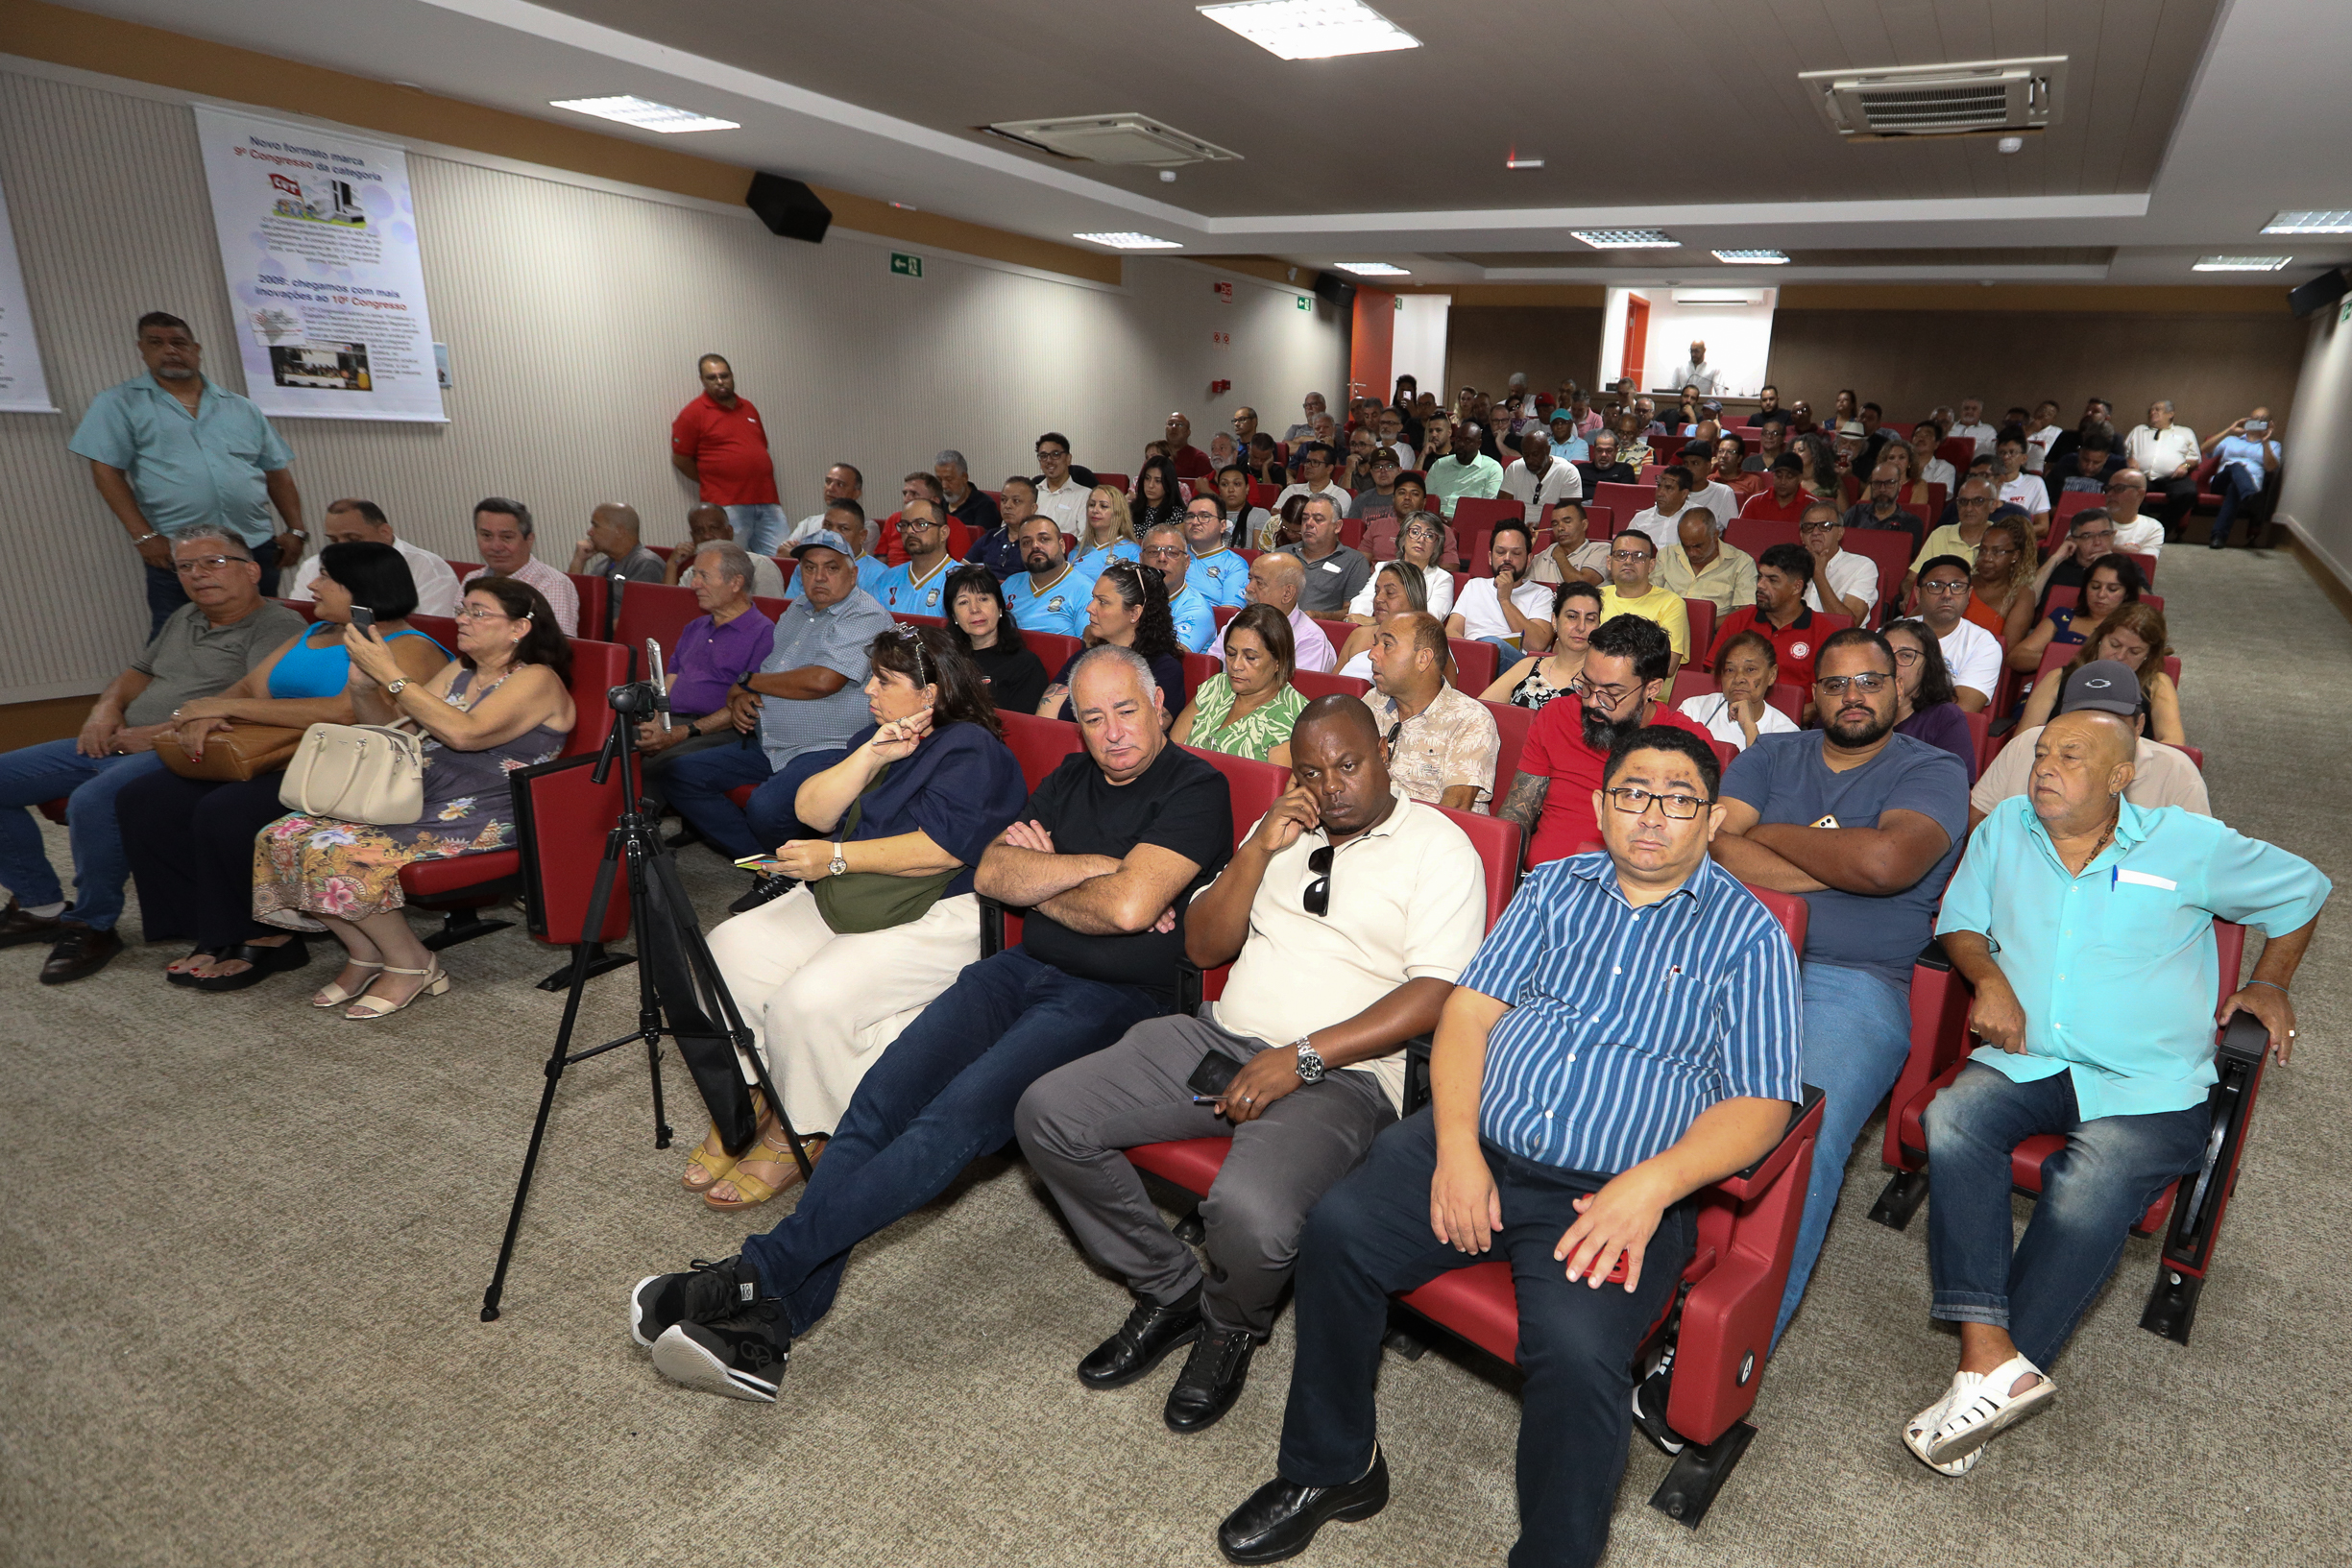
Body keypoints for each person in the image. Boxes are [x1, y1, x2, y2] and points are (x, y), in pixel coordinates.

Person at [1220, 724, 1800, 1568]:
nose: (1652, 815)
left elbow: (1761, 1104)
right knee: (1338, 1231)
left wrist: (1649, 1187)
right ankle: (1333, 1466)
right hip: (1480, 1139)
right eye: (1633, 793)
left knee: (1575, 1353)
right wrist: (1456, 1148)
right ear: (1601, 807)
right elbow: (1468, 1014)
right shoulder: (1552, 887)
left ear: (1710, 822)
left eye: (1679, 800)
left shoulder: (1747, 937)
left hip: (1613, 1188)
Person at [630, 645, 1232, 1402]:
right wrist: (1098, 868)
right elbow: (989, 873)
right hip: (1016, 972)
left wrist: (1059, 877)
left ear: (1160, 708)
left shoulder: (1194, 786)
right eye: (1091, 716)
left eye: (1126, 710)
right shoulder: (1073, 776)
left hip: (1110, 1000)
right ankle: (771, 1325)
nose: (1112, 732)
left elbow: (1128, 911)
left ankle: (755, 1275)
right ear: (1074, 724)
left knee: (948, 1123)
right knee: (878, 1100)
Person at [1020, 694, 1482, 1432]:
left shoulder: (1439, 846)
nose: (1331, 785)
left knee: (1252, 1215)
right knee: (1048, 1113)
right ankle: (1171, 1288)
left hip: (1342, 1074)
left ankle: (1230, 1321)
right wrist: (1259, 848)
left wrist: (1299, 1058)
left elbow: (1437, 993)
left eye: (1348, 764)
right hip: (1222, 1035)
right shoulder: (1284, 832)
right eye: (1311, 771)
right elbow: (1203, 947)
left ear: (1384, 753)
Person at [1905, 703, 2327, 1476]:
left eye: (2069, 756)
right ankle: (1991, 1357)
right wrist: (1989, 978)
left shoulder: (2185, 843)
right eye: (2040, 753)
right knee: (1954, 1117)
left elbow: (2303, 888)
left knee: (2088, 1183)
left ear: (2120, 777)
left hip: (2148, 1081)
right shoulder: (2004, 829)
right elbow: (1961, 923)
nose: (2044, 768)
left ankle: (1985, 1380)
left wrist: (2268, 980)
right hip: (2029, 1057)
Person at [688, 626, 1031, 1208]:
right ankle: (751, 1090)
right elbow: (810, 810)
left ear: (932, 693)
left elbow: (942, 850)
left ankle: (804, 1127)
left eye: (885, 680)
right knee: (728, 950)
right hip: (856, 888)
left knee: (809, 1000)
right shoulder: (883, 736)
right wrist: (871, 752)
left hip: (939, 908)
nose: (869, 689)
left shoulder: (972, 748)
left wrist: (838, 859)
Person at [1709, 628, 1969, 1343]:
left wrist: (1776, 834)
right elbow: (1716, 845)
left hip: (1849, 984)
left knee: (1792, 1132)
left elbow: (1886, 864)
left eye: (1870, 681)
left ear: (1898, 688)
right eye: (1834, 684)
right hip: (1730, 955)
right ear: (1812, 694)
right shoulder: (1768, 753)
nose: (1852, 696)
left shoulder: (1934, 769)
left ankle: (1727, 1347)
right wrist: (1838, 860)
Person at [124, 541, 454, 991]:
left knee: (225, 812)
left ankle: (268, 935)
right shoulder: (311, 633)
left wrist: (232, 709)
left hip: (338, 771)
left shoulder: (406, 645)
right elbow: (248, 686)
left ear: (360, 588)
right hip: (276, 752)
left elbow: (345, 712)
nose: (312, 585)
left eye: (325, 578)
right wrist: (214, 710)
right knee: (146, 799)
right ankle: (204, 928)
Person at [255, 576, 576, 1018]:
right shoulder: (462, 672)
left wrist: (392, 673)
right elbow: (395, 731)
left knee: (343, 853)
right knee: (284, 836)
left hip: (484, 810)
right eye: (462, 609)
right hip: (421, 794)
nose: (462, 619)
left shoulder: (537, 680)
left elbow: (465, 735)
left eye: (478, 612)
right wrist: (366, 686)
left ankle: (413, 963)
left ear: (519, 628)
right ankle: (365, 953)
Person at [0, 531, 303, 982]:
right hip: (123, 738)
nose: (198, 575)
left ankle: (93, 923)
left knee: (93, 801)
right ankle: (41, 905)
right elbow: (139, 672)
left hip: (183, 749)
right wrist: (104, 710)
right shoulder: (185, 616)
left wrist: (159, 734)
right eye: (185, 567)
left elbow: (249, 707)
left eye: (214, 562)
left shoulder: (275, 626)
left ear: (252, 569)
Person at [666, 531, 893, 905]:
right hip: (771, 741)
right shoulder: (796, 611)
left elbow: (824, 680)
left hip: (831, 748)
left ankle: (786, 875)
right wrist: (745, 694)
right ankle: (772, 869)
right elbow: (773, 672)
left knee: (767, 808)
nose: (819, 577)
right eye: (809, 568)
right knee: (680, 774)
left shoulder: (865, 614)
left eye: (831, 568)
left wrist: (748, 681)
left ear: (853, 575)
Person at [71, 312, 307, 634]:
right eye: (157, 343)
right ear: (142, 349)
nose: (170, 350)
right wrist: (144, 536)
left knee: (263, 633)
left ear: (196, 349)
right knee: (175, 637)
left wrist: (296, 530)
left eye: (179, 343)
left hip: (253, 544)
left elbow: (277, 473)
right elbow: (106, 474)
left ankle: (253, 686)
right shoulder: (119, 403)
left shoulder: (240, 407)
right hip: (177, 551)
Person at [1497, 615, 1713, 864]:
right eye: (1586, 685)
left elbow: (1684, 849)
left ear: (1651, 689)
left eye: (1611, 693)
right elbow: (1517, 813)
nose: (1591, 702)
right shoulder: (1557, 716)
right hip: (1540, 882)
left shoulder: (1685, 745)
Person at [1969, 661, 2207, 829]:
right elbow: (1978, 813)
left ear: (2139, 725)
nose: (2095, 732)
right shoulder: (2027, 745)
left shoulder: (2176, 770)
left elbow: (2200, 850)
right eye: (2084, 717)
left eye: (2113, 721)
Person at [631, 542, 779, 805]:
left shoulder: (764, 634)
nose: (693, 584)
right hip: (675, 720)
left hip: (720, 729)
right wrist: (656, 721)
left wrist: (681, 732)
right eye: (695, 574)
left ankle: (644, 838)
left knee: (655, 764)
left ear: (735, 583)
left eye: (703, 576)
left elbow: (745, 705)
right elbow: (669, 682)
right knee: (618, 745)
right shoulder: (695, 627)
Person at [1041, 561, 1186, 729]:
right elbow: (1045, 726)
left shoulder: (1165, 671)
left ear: (1134, 613)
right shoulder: (1081, 660)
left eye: (1103, 602)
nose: (1090, 608)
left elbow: (1141, 735)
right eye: (1093, 598)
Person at [2018, 602, 2183, 744]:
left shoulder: (2157, 684)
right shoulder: (2057, 678)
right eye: (2114, 644)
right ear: (2099, 638)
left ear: (2148, 655)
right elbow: (2023, 739)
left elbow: (2173, 743)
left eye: (2134, 652)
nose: (2120, 656)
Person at [669, 353, 784, 553]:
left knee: (784, 564)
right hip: (728, 506)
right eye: (712, 378)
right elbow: (681, 459)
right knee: (733, 566)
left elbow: (758, 448)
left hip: (767, 502)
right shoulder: (693, 413)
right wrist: (714, 479)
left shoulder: (748, 408)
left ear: (732, 375)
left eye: (724, 375)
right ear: (702, 381)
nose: (720, 382)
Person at [1173, 604, 1305, 766]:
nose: (1235, 665)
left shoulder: (1292, 715)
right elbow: (1172, 751)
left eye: (1250, 657)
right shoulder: (1217, 685)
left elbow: (1275, 787)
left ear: (1278, 661)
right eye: (1231, 654)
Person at [284, 498, 462, 618]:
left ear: (385, 533)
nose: (342, 547)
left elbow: (434, 632)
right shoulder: (312, 566)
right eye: (333, 540)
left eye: (353, 539)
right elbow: (299, 619)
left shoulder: (429, 568)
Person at [2009, 551, 2145, 675]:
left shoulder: (2137, 628)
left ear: (2127, 594)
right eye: (2095, 587)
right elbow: (2016, 657)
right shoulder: (2063, 618)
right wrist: (2067, 659)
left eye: (2112, 589)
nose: (2101, 594)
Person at [461, 497, 581, 636]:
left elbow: (555, 647)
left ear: (529, 540)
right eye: (486, 536)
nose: (496, 547)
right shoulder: (471, 579)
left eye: (507, 537)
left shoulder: (552, 584)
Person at [943, 563, 1049, 714]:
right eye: (963, 602)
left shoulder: (1025, 665)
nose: (974, 609)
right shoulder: (945, 661)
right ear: (954, 616)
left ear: (1000, 607)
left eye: (983, 599)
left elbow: (1022, 729)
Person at [1882, 617, 1977, 782]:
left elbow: (1954, 785)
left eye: (1906, 655)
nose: (1893, 663)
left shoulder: (1946, 718)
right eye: (1885, 653)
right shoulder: (1853, 707)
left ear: (1928, 665)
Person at [1483, 581, 1603, 710]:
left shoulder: (1602, 680)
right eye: (1572, 616)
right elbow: (1477, 710)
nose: (1581, 627)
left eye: (1590, 619)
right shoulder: (1528, 666)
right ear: (1554, 620)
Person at [1682, 628, 1800, 754]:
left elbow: (1764, 772)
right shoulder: (1694, 709)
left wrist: (1748, 726)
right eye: (1730, 670)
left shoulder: (1787, 734)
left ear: (1771, 675)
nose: (1738, 679)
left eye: (1750, 670)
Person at [1447, 521, 1556, 656]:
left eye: (1516, 553)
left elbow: (1537, 645)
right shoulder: (1474, 585)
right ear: (1490, 558)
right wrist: (1472, 654)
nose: (1507, 559)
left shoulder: (1542, 594)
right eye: (1500, 552)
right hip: (1473, 659)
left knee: (1494, 644)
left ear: (1528, 560)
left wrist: (1504, 600)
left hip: (1516, 667)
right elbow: (1451, 632)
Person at [1912, 556, 2002, 712]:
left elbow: (1962, 710)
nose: (1947, 594)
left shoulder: (1983, 644)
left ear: (1969, 594)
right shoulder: (1893, 633)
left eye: (1957, 586)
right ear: (1918, 593)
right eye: (1935, 586)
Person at [1594, 529, 1693, 670]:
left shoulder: (1671, 603)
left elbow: (1668, 665)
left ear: (1651, 565)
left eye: (1639, 556)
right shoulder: (1595, 597)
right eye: (1621, 555)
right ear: (1609, 562)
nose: (1628, 561)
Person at [1233, 552, 1337, 675]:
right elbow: (1214, 668)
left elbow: (1297, 692)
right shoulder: (1238, 621)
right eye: (1250, 579)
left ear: (1287, 593)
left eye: (1259, 583)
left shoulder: (1310, 642)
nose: (1248, 588)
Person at [665, 503, 788, 597]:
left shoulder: (760, 566)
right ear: (692, 537)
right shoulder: (691, 573)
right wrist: (672, 565)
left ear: (729, 532)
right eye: (699, 531)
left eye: (714, 528)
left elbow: (771, 615)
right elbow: (669, 611)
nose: (707, 536)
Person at [2201, 405, 2283, 548]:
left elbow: (2271, 468)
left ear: (2269, 424)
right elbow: (2203, 450)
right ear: (2247, 420)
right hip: (2221, 483)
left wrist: (2265, 442)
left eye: (2262, 420)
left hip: (2241, 488)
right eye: (2254, 419)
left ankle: (2218, 536)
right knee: (2236, 466)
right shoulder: (2231, 440)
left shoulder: (2273, 445)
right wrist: (2229, 430)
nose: (2257, 421)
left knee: (2235, 488)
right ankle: (2250, 496)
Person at [1336, 562, 1432, 680]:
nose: (1378, 599)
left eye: (1390, 593)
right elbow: (1332, 684)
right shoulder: (1358, 635)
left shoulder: (1431, 641)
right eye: (1376, 592)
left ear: (1413, 597)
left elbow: (1444, 695)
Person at [1003, 512, 1093, 638]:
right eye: (1026, 542)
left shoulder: (1085, 590)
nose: (1035, 546)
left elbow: (1087, 649)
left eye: (1044, 539)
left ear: (1062, 545)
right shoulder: (1010, 584)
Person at [1279, 495, 1372, 616]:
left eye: (1318, 519)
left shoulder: (1354, 561)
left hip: (1323, 630)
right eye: (1305, 518)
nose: (1309, 524)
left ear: (1337, 526)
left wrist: (1321, 616)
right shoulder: (1282, 555)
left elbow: (1353, 613)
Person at [2122, 400, 2201, 538]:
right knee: (2125, 489)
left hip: (2174, 478)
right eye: (2151, 410)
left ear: (2170, 414)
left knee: (2188, 492)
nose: (2152, 412)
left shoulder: (2185, 432)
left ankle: (2160, 530)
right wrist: (2129, 460)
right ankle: (2147, 528)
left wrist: (2185, 466)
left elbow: (2194, 459)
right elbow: (2124, 454)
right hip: (2142, 476)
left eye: (2157, 409)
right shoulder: (2138, 430)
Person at [1138, 522, 1220, 654]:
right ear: (1141, 560)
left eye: (1172, 553)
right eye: (1153, 552)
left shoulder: (1198, 610)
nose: (1162, 558)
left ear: (1186, 563)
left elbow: (1168, 656)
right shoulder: (1128, 596)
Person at [1659, 508, 1757, 615]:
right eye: (1685, 546)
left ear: (1715, 535)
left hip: (1715, 629)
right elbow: (1647, 594)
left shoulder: (1741, 563)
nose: (1692, 553)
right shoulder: (1666, 555)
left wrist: (1705, 624)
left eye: (1698, 546)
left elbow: (1745, 611)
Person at [1963, 512, 2040, 648]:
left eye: (1997, 551)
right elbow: (1916, 622)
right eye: (1983, 550)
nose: (1987, 558)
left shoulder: (2022, 594)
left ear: (2015, 556)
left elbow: (2006, 649)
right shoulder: (1962, 582)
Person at [873, 496, 960, 615]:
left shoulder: (962, 580)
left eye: (921, 524)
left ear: (943, 533)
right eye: (904, 525)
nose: (910, 531)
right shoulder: (885, 580)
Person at [1797, 503, 1879, 624]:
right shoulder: (1791, 565)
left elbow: (1849, 624)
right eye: (1808, 526)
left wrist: (1818, 574)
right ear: (1801, 536)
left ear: (1840, 533)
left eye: (1825, 526)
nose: (1815, 532)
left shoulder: (1862, 566)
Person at [1362, 474, 1457, 568]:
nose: (1407, 497)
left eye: (1415, 494)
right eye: (1402, 493)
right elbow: (1360, 564)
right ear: (1394, 499)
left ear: (1424, 502)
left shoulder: (1441, 531)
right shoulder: (1378, 525)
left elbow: (1449, 569)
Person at [1842, 460, 1926, 560]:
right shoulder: (1854, 513)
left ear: (1899, 485)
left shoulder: (1911, 522)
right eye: (1877, 483)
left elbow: (1905, 560)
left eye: (1889, 483)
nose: (1882, 489)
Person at [1499, 429, 1584, 525]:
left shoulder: (1568, 472)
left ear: (1547, 450)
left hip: (1553, 528)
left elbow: (1570, 515)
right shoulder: (1514, 468)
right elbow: (1503, 508)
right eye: (1526, 455)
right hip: (1517, 527)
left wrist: (1541, 526)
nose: (1530, 460)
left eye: (1535, 454)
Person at [568, 501, 667, 583]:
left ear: (619, 531)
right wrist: (579, 560)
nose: (589, 532)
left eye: (596, 526)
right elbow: (573, 600)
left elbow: (639, 605)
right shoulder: (603, 565)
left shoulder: (646, 564)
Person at [1423, 422, 1504, 521]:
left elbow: (1488, 508)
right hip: (1434, 522)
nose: (1461, 444)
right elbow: (1426, 499)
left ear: (1479, 443)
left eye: (1467, 440)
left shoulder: (1492, 468)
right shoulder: (1439, 465)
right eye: (1458, 439)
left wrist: (1457, 521)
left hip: (1469, 524)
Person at [1524, 499, 1608, 588]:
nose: (1560, 528)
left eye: (1567, 522)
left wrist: (1559, 556)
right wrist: (1525, 549)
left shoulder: (1600, 550)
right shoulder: (1543, 556)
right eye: (1555, 524)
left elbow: (1581, 586)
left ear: (1584, 525)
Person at [785, 463, 866, 549]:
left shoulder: (866, 526)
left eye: (840, 484)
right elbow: (784, 552)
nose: (830, 488)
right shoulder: (808, 523)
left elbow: (856, 558)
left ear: (856, 493)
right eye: (828, 482)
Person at [1072, 485, 1143, 580]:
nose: (1095, 510)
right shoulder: (1077, 552)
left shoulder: (1133, 552)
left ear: (1118, 513)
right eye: (1092, 505)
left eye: (1103, 506)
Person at [1626, 466, 1702, 554]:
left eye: (1668, 488)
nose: (1660, 493)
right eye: (1659, 486)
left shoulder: (1698, 517)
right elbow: (1625, 548)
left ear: (1684, 494)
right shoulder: (1641, 518)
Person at [933, 448, 1004, 543]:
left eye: (949, 479)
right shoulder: (937, 503)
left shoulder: (984, 506)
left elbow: (982, 545)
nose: (944, 486)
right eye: (939, 480)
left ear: (964, 477)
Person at [1991, 428, 2052, 536]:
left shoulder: (2034, 483)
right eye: (2002, 453)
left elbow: (2043, 527)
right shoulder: (1986, 483)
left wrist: (2012, 534)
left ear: (2024, 458)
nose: (2006, 457)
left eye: (2012, 453)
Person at [2098, 469, 2168, 559]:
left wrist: (2105, 549)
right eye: (2108, 489)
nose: (2110, 494)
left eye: (2119, 488)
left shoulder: (2153, 527)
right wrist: (2122, 551)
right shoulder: (2091, 518)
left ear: (2139, 494)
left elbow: (2144, 564)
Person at [1273, 442, 1348, 519]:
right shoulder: (1292, 490)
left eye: (1315, 462)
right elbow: (1275, 514)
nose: (1308, 466)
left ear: (1329, 468)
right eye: (1307, 461)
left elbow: (1330, 521)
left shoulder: (1340, 496)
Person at [1739, 452, 1816, 524]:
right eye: (1778, 476)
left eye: (1789, 477)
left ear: (1800, 478)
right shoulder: (1755, 501)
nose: (1782, 482)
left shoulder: (1812, 505)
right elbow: (1739, 532)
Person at [1346, 447, 1405, 530]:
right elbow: (1353, 533)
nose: (1383, 471)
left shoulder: (1407, 500)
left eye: (1389, 466)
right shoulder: (1360, 500)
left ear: (1399, 470)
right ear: (1371, 472)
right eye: (1377, 467)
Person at [1214, 465, 1272, 550]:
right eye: (1224, 484)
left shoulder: (1260, 515)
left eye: (1237, 484)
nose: (1231, 490)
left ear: (1247, 488)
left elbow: (1257, 555)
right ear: (1219, 490)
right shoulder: (1211, 515)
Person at [1132, 455, 1188, 536]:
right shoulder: (1130, 510)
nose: (1151, 485)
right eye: (1147, 478)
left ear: (1168, 484)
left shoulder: (1178, 515)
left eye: (1158, 481)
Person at [1162, 411, 1213, 481]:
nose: (1174, 427)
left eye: (1180, 425)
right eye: (1170, 424)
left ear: (1188, 432)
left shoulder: (1199, 459)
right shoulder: (1156, 455)